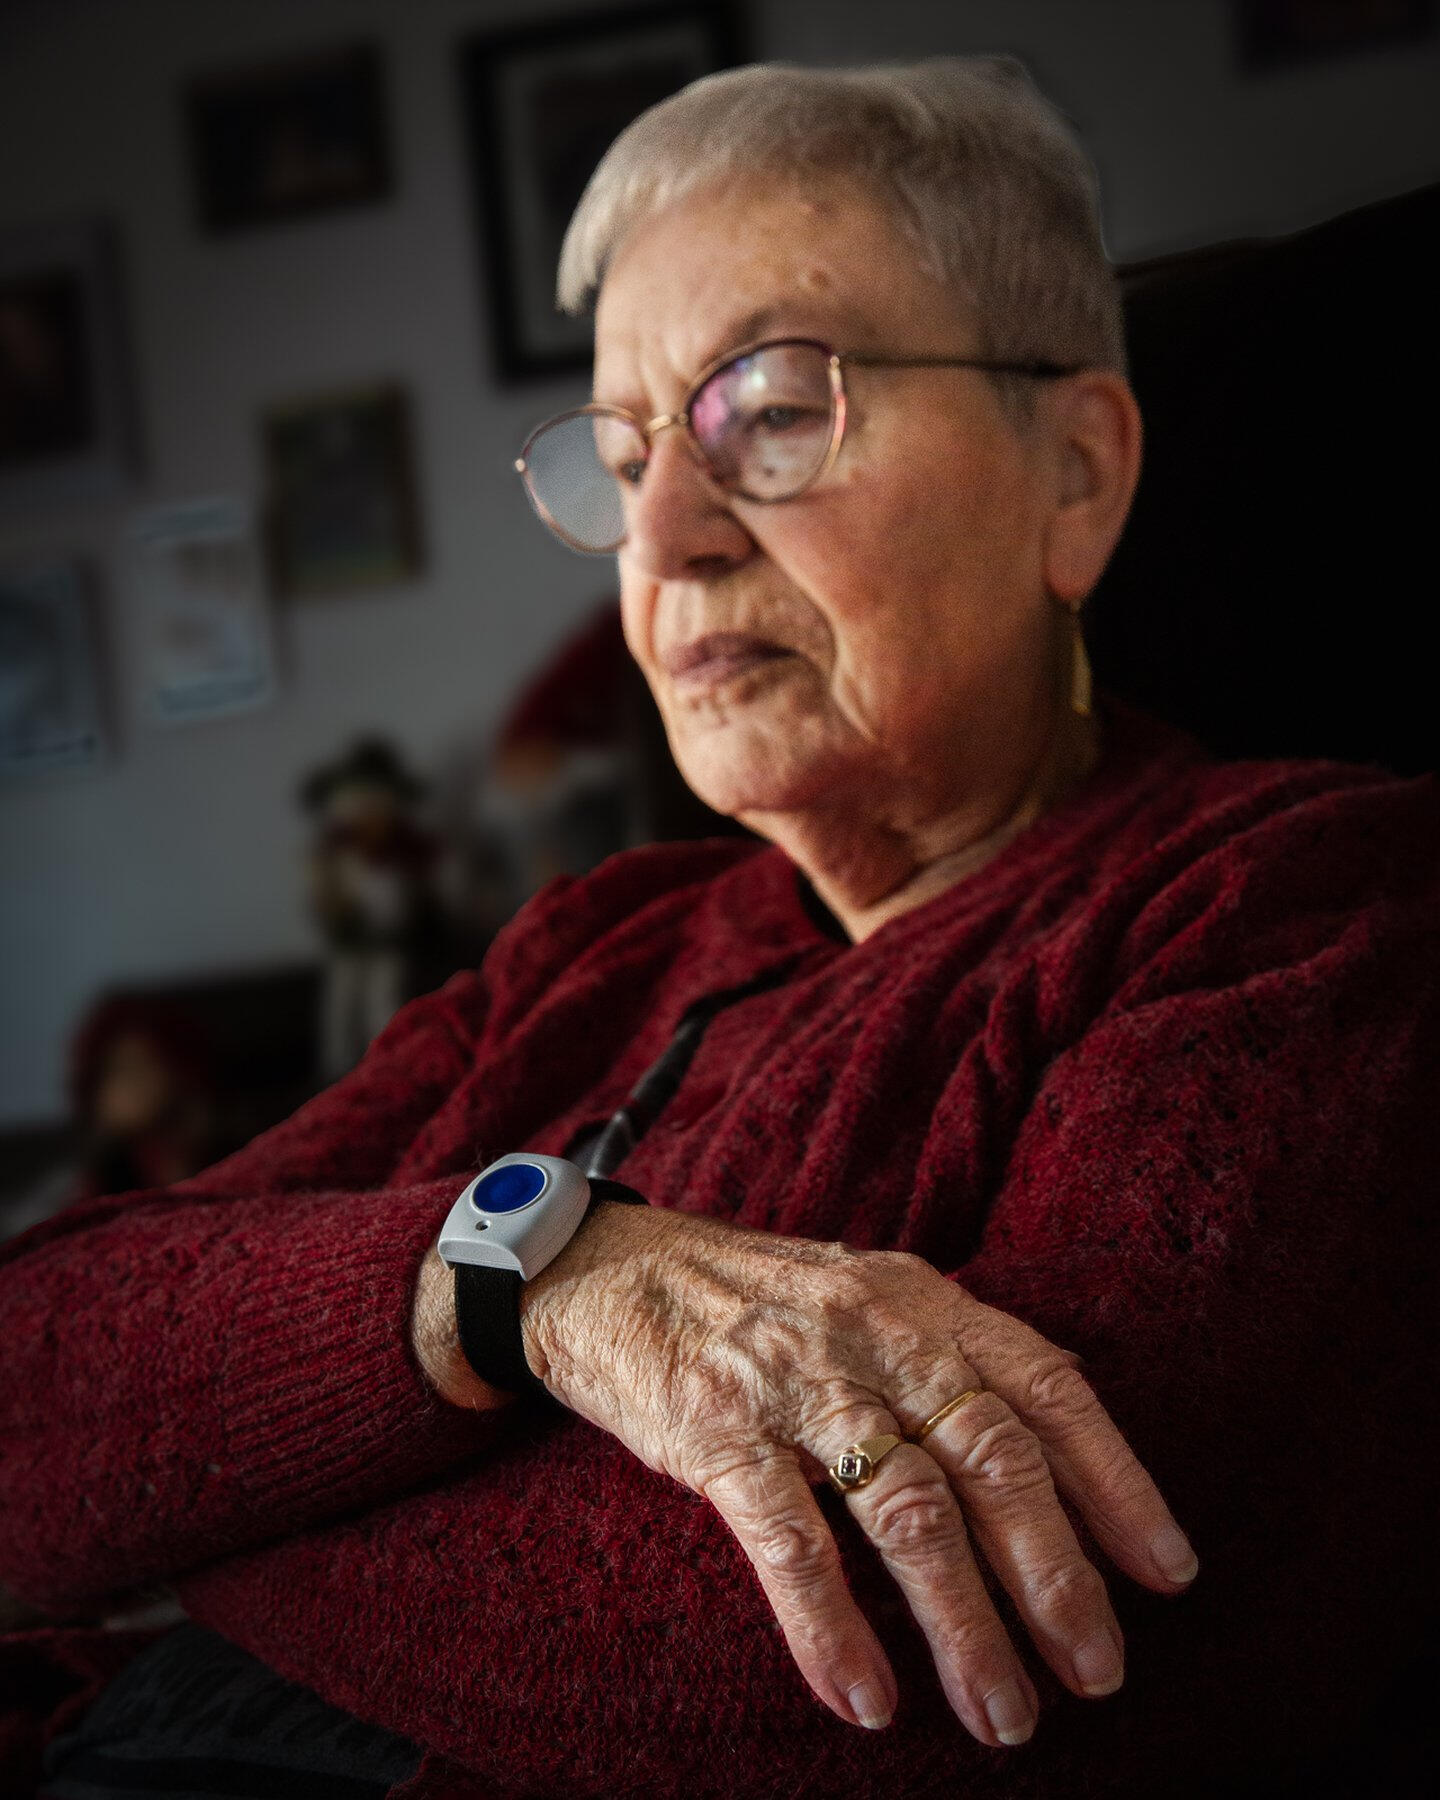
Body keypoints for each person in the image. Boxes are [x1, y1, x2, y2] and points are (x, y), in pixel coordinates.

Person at [2, 56, 1436, 1800]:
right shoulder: (597, 940)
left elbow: (948, 1654)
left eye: (770, 408)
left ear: (1073, 474)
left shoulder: (1292, 907)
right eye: (623, 454)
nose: (666, 537)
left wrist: (209, 1494)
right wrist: (530, 1278)